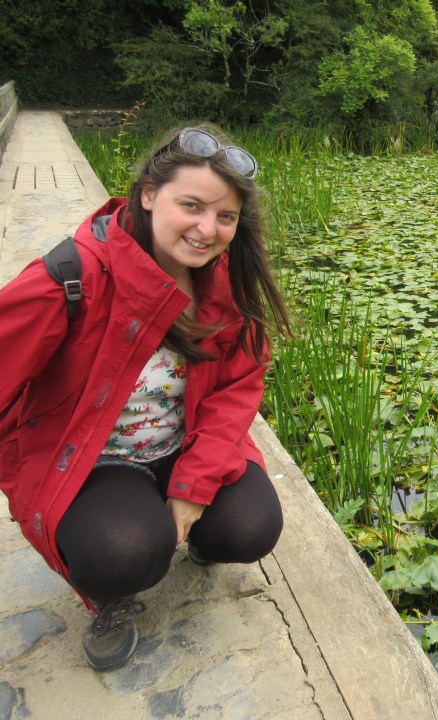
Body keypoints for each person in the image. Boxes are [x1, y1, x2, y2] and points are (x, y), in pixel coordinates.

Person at [0, 125, 292, 671]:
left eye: (225, 217)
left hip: (180, 444)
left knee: (251, 528)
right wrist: (22, 470)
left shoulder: (223, 283)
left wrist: (194, 484)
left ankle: (192, 531)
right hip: (94, 462)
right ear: (149, 194)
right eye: (192, 206)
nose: (208, 230)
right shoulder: (71, 276)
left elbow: (237, 387)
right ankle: (112, 596)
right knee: (125, 553)